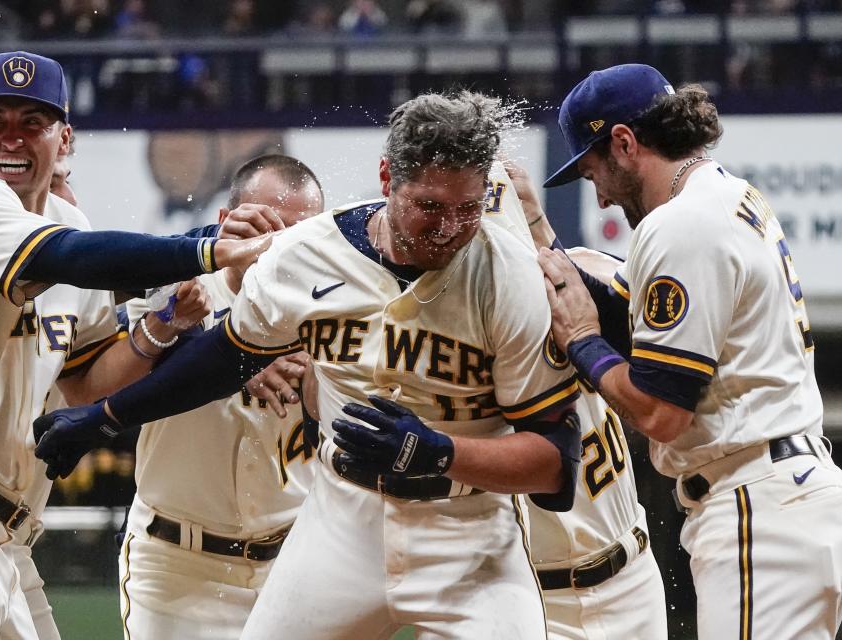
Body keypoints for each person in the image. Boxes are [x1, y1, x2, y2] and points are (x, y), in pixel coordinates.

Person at [34, 91, 585, 639]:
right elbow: (225, 356)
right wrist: (107, 415)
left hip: (469, 533)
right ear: (387, 178)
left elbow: (556, 466)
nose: (448, 229)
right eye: (431, 208)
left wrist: (440, 452)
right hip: (342, 523)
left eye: (467, 209)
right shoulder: (310, 252)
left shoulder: (508, 274)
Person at [0, 49, 259, 639]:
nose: (10, 138)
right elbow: (69, 259)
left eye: (31, 122)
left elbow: (86, 381)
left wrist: (162, 327)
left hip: (5, 534)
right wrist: (208, 246)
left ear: (66, 138)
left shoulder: (67, 223)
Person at [538, 63, 842, 639]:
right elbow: (656, 319)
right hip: (791, 490)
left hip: (756, 507)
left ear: (624, 143)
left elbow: (661, 415)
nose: (599, 195)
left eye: (592, 170)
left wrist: (582, 342)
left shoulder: (678, 224)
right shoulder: (730, 195)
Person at [118, 154, 324, 639]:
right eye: (270, 227)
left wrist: (322, 372)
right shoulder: (176, 284)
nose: (284, 247)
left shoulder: (334, 308)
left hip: (293, 562)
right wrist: (234, 359)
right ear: (227, 222)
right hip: (177, 563)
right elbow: (125, 373)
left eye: (303, 233)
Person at [488, 161, 668, 640]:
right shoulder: (444, 317)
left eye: (495, 202)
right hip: (519, 596)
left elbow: (659, 353)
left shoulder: (584, 267)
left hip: (627, 570)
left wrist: (542, 230)